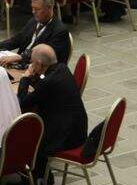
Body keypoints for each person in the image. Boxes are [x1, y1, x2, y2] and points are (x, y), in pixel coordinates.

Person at [17, 44, 87, 177]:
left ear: (38, 64)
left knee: (27, 136)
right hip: (78, 129)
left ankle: (35, 180)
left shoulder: (48, 82)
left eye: (32, 63)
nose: (31, 65)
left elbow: (23, 103)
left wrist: (25, 78)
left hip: (67, 138)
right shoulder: (63, 68)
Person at [0, 0, 71, 65]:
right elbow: (18, 39)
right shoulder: (34, 21)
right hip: (21, 63)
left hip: (38, 70)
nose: (33, 12)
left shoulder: (60, 31)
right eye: (32, 8)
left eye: (37, 9)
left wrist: (20, 57)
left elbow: (44, 56)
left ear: (49, 8)